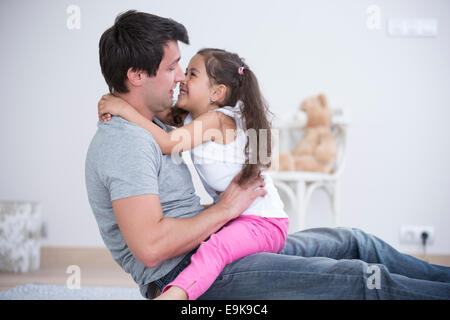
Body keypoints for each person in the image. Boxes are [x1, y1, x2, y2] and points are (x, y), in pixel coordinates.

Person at [85, 10, 450, 300]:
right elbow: (151, 249)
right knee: (362, 280)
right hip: (189, 271)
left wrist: (119, 103)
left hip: (228, 234)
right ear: (136, 75)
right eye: (172, 67)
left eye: (185, 67)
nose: (181, 76)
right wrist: (226, 209)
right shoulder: (125, 143)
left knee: (356, 243)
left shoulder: (163, 123)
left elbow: (243, 143)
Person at [97, 47, 290, 300]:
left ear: (216, 93)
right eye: (184, 71)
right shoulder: (193, 118)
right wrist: (122, 102)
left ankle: (175, 296)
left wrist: (123, 110)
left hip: (263, 222)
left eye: (192, 74)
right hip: (243, 219)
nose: (182, 79)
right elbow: (153, 110)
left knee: (215, 249)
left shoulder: (218, 120)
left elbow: (167, 143)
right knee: (214, 246)